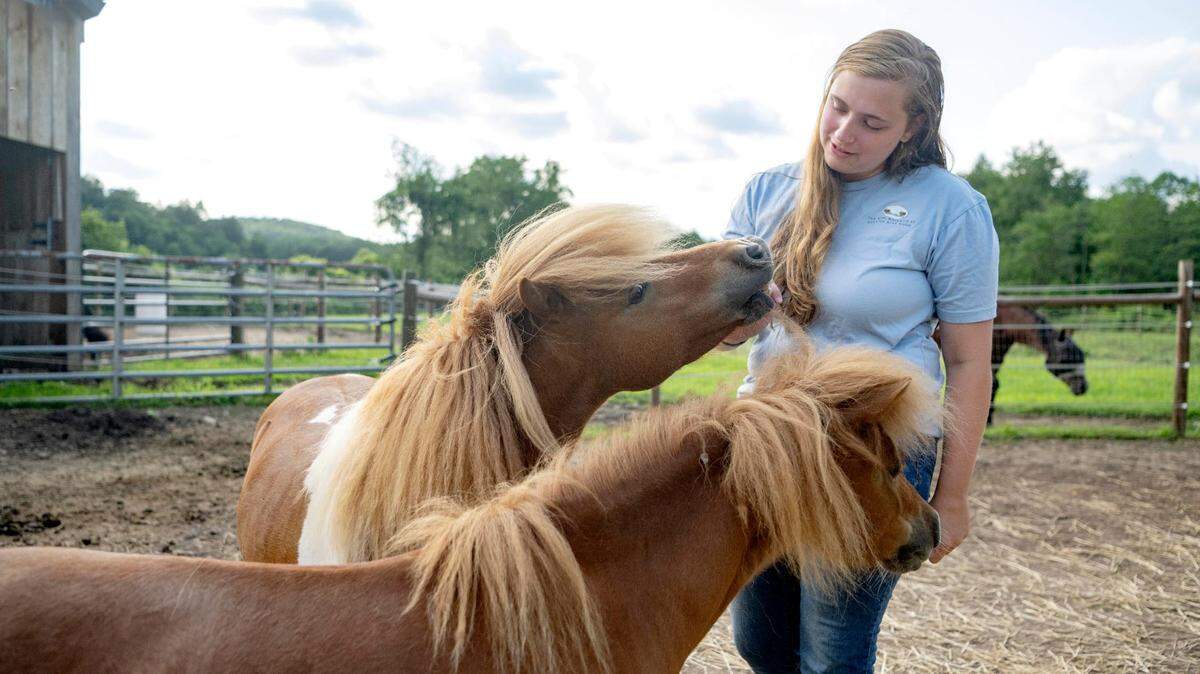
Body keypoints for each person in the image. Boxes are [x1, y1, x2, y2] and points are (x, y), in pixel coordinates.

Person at [721, 29, 998, 672]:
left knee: (832, 651)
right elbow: (730, 333)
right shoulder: (767, 192)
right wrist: (749, 308)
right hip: (772, 437)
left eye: (872, 121)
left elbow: (968, 361)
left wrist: (951, 496)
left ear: (914, 126)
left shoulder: (951, 208)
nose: (844, 131)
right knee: (759, 643)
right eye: (837, 107)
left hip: (875, 450)